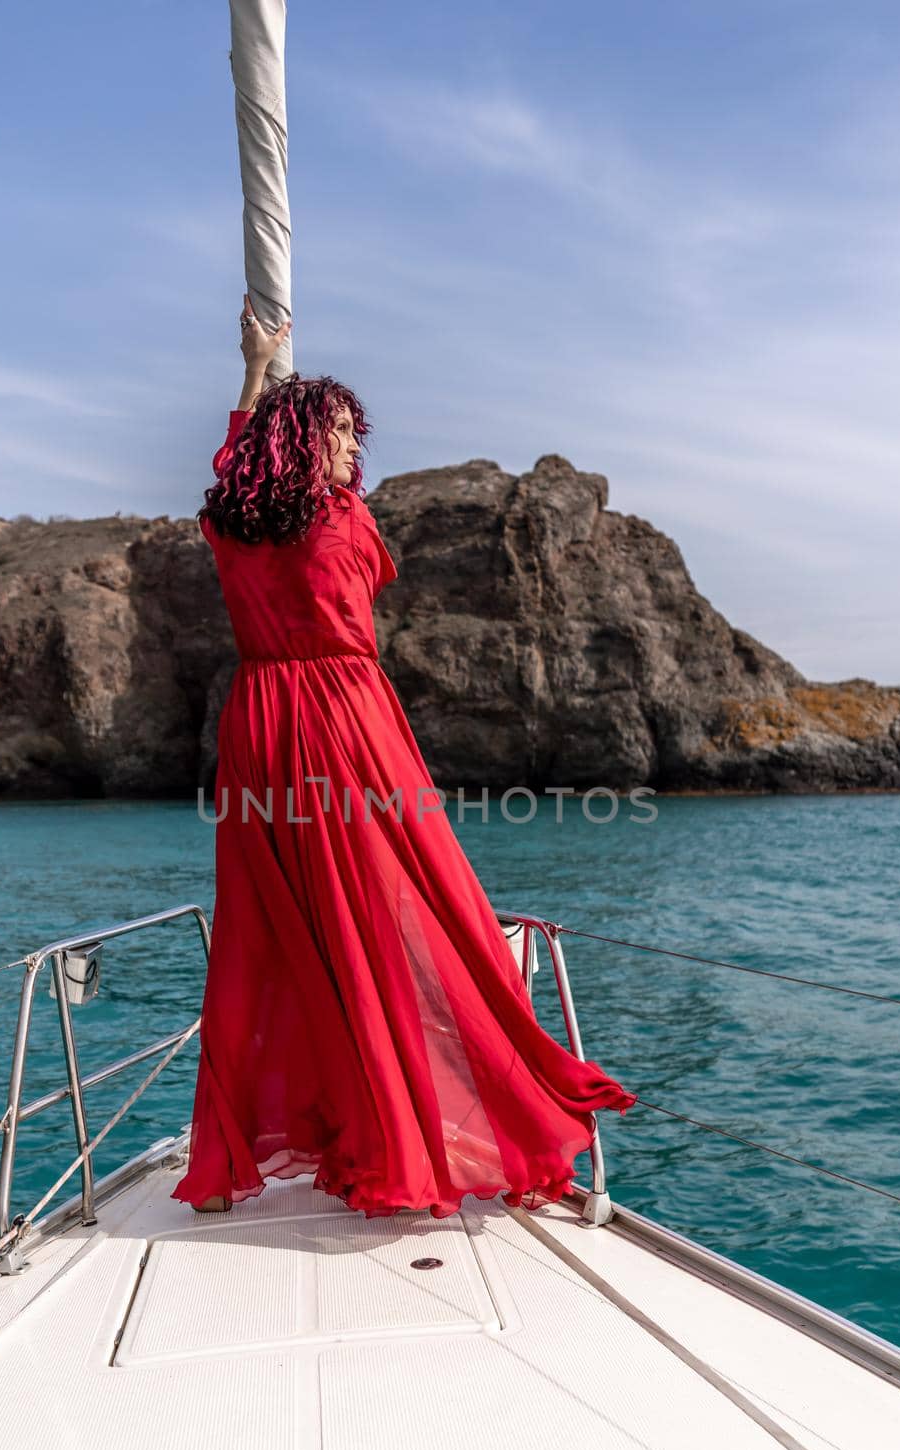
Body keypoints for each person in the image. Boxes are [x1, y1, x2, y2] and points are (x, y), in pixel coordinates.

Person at [172, 294, 636, 1218]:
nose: (353, 451)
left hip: (259, 723)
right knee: (419, 903)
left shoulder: (229, 523)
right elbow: (367, 567)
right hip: (347, 716)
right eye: (340, 434)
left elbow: (234, 468)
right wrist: (271, 383)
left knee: (272, 928)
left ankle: (232, 1165)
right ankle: (432, 1125)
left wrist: (258, 373)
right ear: (309, 444)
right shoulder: (346, 522)